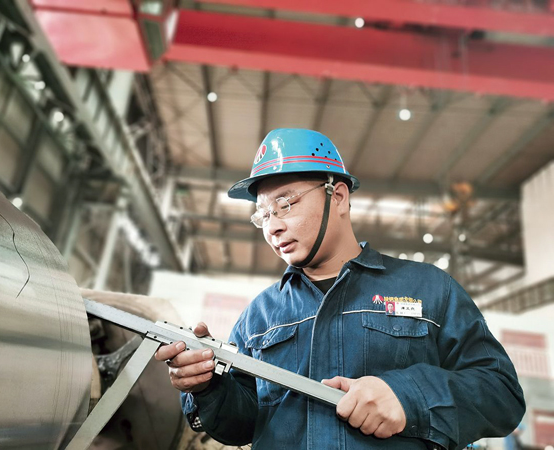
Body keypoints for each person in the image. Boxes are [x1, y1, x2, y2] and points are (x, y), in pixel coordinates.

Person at [155, 129, 525, 449]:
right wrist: (207, 387)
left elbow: (501, 393)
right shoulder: (260, 316)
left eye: (285, 204)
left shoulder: (428, 289)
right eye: (263, 215)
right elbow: (242, 425)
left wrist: (409, 396)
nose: (272, 227)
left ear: (339, 196)